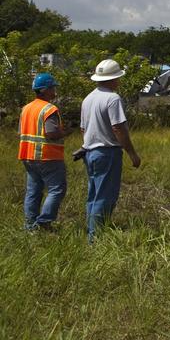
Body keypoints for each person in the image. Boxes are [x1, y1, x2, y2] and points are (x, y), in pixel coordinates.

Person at [81, 58, 141, 240]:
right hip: (107, 152)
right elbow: (118, 128)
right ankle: (95, 236)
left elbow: (83, 128)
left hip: (90, 152)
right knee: (105, 195)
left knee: (94, 193)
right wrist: (132, 154)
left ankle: (90, 228)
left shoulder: (88, 98)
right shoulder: (112, 98)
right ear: (113, 79)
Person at [18, 72, 75, 231]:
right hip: (47, 156)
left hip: (28, 155)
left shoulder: (26, 108)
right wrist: (66, 132)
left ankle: (30, 226)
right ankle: (44, 221)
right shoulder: (49, 109)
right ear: (44, 90)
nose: (54, 91)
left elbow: (21, 132)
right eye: (52, 88)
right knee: (57, 189)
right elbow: (51, 133)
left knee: (33, 191)